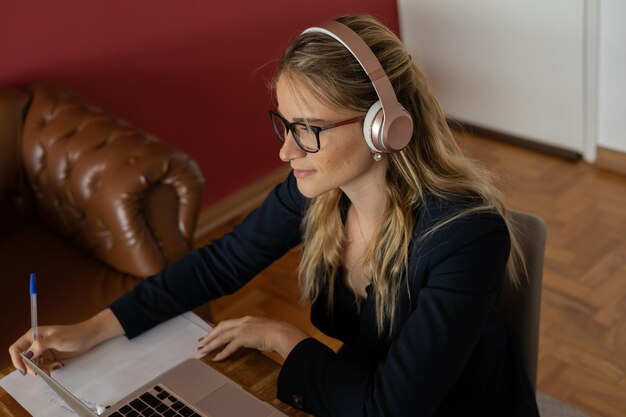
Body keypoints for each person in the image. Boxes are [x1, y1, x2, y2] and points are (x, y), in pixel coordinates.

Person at [9, 15, 540, 417]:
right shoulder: (316, 194)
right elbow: (219, 264)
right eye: (283, 125)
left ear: (386, 127)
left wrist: (281, 338)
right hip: (357, 390)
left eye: (308, 129)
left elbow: (391, 409)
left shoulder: (465, 235)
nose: (287, 152)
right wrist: (92, 329)